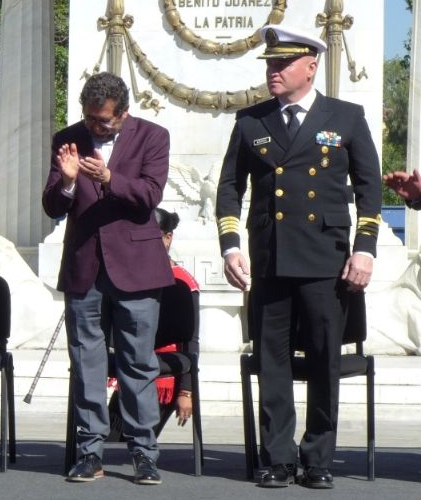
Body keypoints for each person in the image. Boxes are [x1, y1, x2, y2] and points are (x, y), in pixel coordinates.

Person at [216, 25, 381, 489]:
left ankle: (318, 457)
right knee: (273, 361)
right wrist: (231, 247)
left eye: (281, 64)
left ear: (310, 67)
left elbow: (370, 191)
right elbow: (229, 189)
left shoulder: (345, 117)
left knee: (325, 360)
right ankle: (277, 458)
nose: (272, 71)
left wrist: (365, 251)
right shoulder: (252, 121)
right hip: (270, 259)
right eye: (269, 64)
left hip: (326, 261)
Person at [43, 72, 173, 486]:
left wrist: (109, 179)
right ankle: (89, 452)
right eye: (89, 118)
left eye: (103, 121)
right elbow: (51, 206)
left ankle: (144, 452)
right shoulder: (69, 138)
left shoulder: (153, 136)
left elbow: (150, 195)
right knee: (86, 364)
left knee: (138, 363)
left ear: (123, 113)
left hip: (136, 267)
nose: (94, 127)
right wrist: (65, 181)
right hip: (85, 267)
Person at [107, 208, 199, 441]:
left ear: (168, 238)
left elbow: (191, 340)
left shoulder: (183, 282)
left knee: (135, 440)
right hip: (130, 366)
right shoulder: (127, 277)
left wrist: (186, 391)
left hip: (163, 375)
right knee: (110, 439)